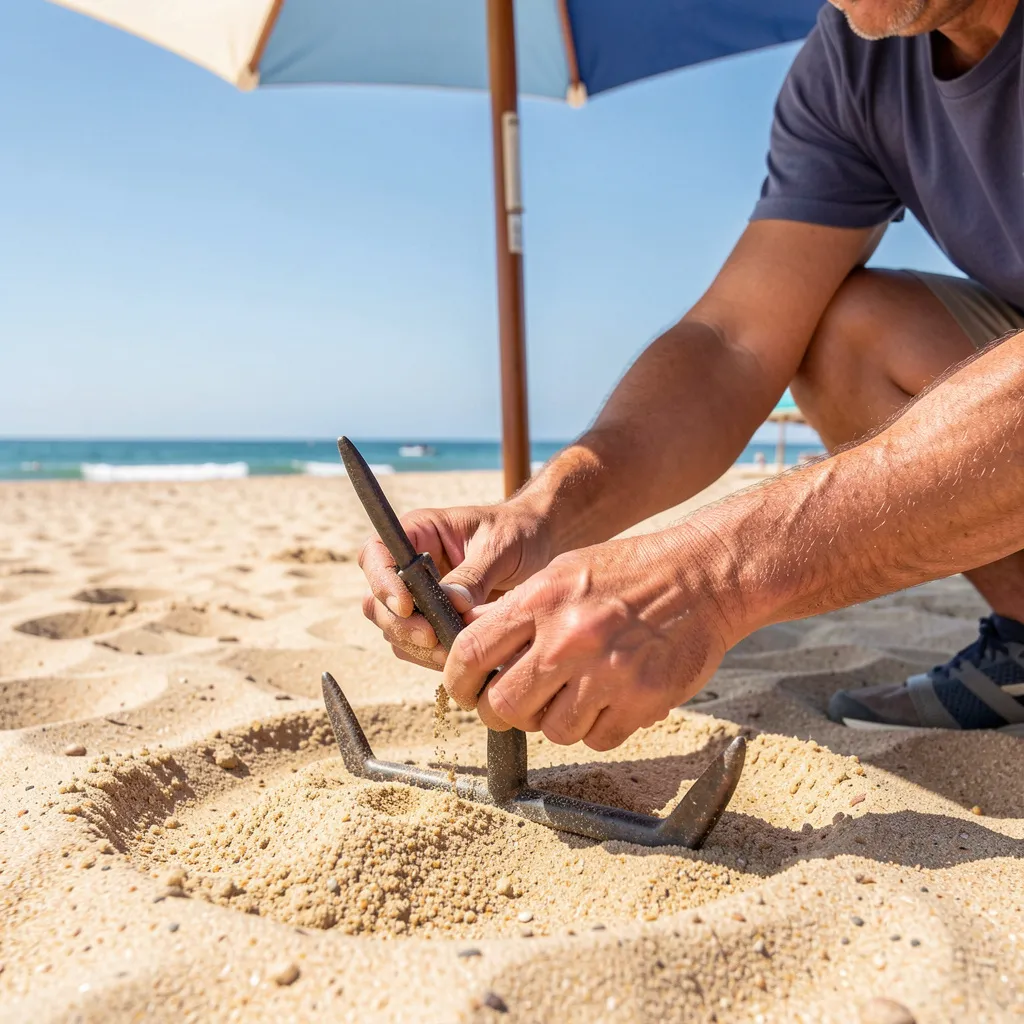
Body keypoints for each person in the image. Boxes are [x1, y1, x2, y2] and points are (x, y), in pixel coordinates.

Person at [360, 0, 1024, 747]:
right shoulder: (855, 61)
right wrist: (546, 514)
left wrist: (709, 577)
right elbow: (734, 338)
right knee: (843, 334)